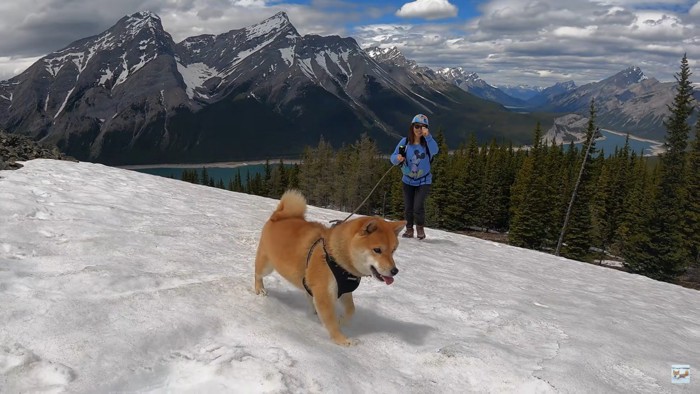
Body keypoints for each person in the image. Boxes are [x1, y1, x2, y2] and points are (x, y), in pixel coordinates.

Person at [390, 114, 439, 239]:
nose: (419, 129)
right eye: (417, 126)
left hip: (424, 180)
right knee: (408, 207)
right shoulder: (404, 142)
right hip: (407, 180)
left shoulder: (428, 143)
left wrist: (428, 137)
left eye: (423, 127)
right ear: (412, 127)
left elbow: (435, 150)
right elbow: (393, 157)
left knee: (418, 206)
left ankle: (420, 229)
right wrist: (397, 158)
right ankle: (409, 229)